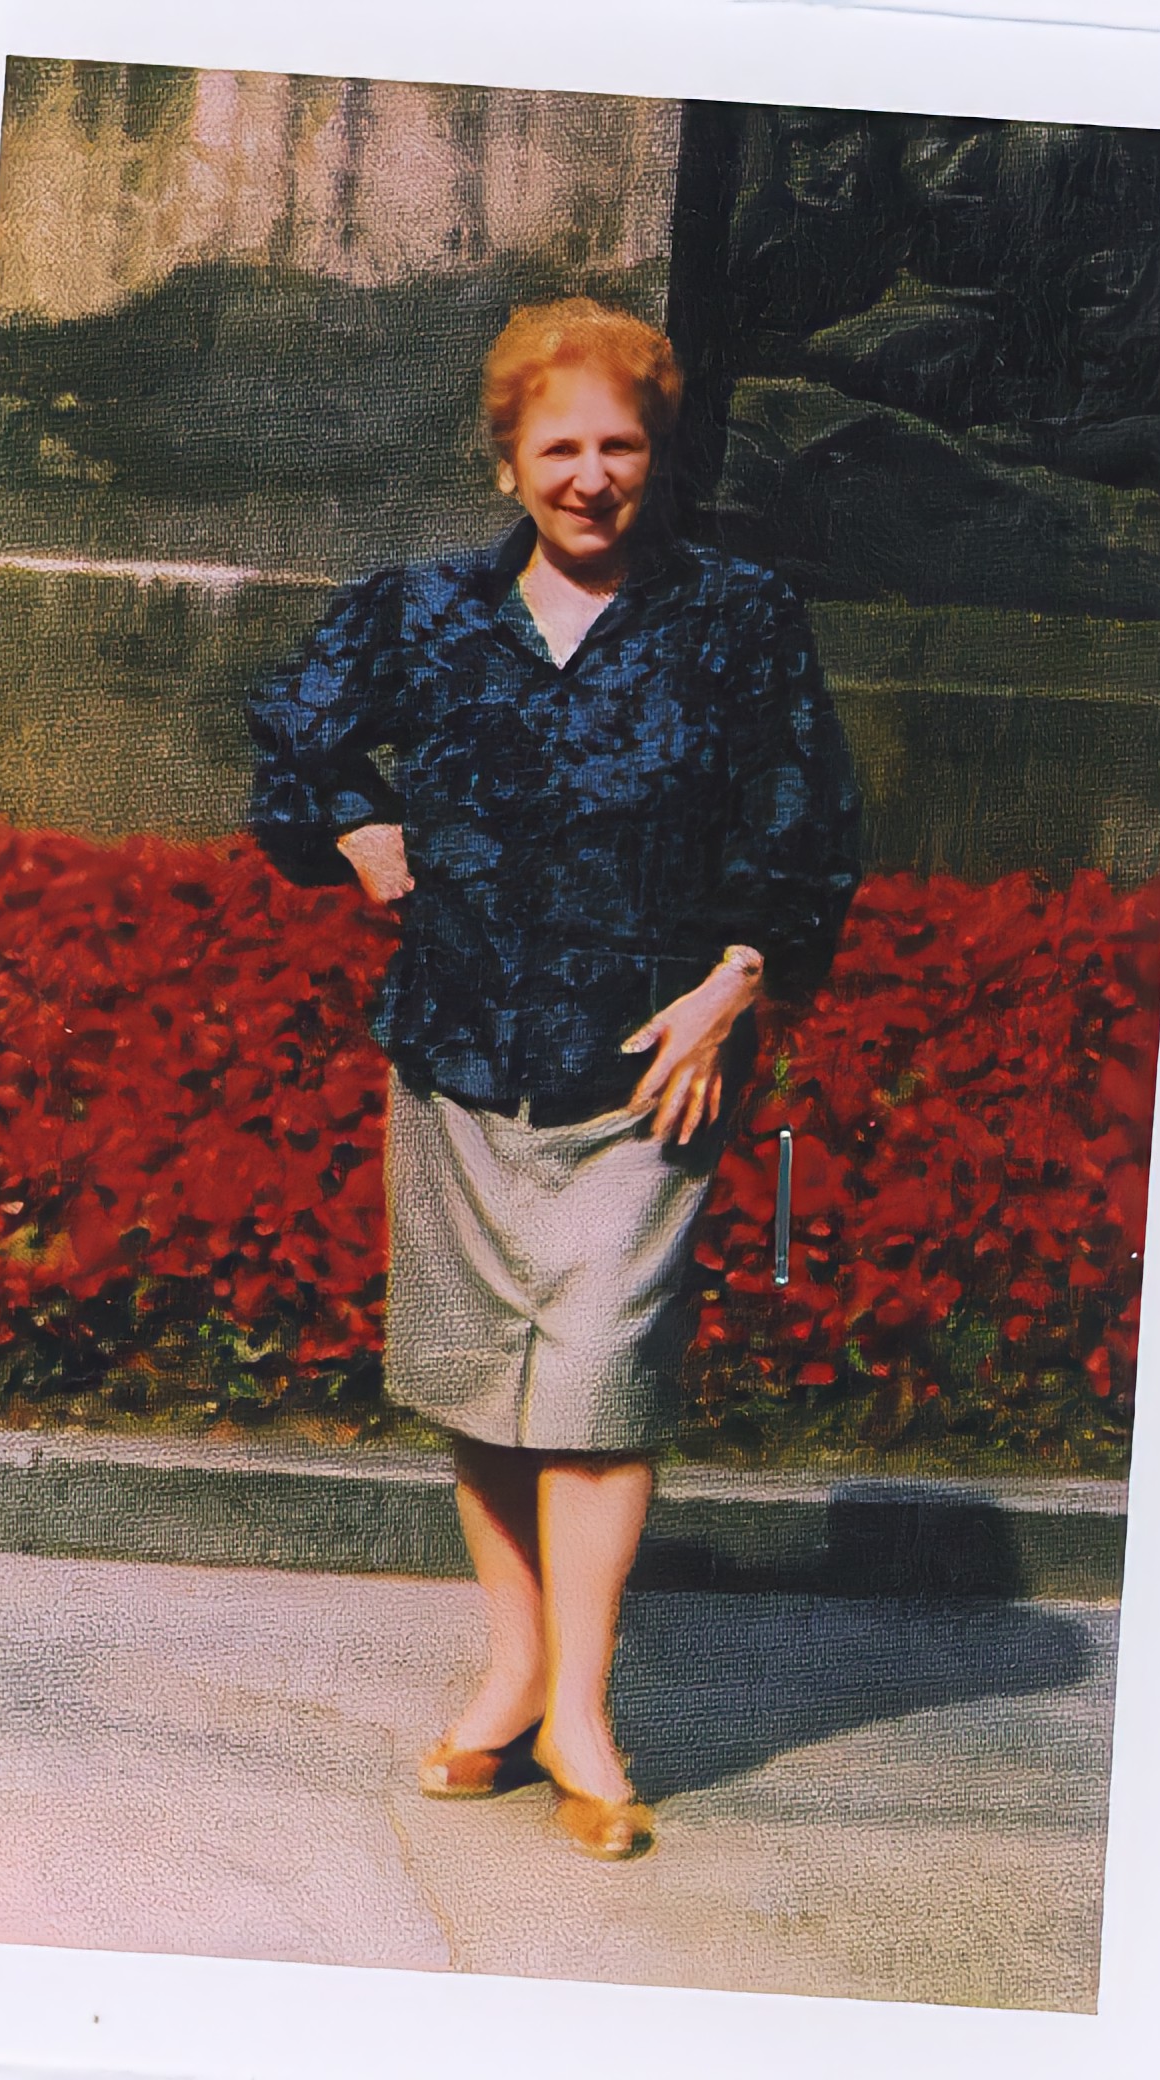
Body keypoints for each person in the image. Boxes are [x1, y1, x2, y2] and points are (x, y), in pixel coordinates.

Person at [248, 298, 860, 1860]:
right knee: (481, 1384)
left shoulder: (735, 619)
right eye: (561, 447)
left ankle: (582, 1711)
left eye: (621, 446)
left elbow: (802, 814)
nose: (592, 476)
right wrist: (352, 823)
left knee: (595, 1388)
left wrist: (734, 981)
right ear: (508, 460)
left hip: (646, 1068)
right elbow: (290, 733)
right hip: (460, 1049)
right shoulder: (427, 613)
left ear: (660, 457)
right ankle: (512, 1670)